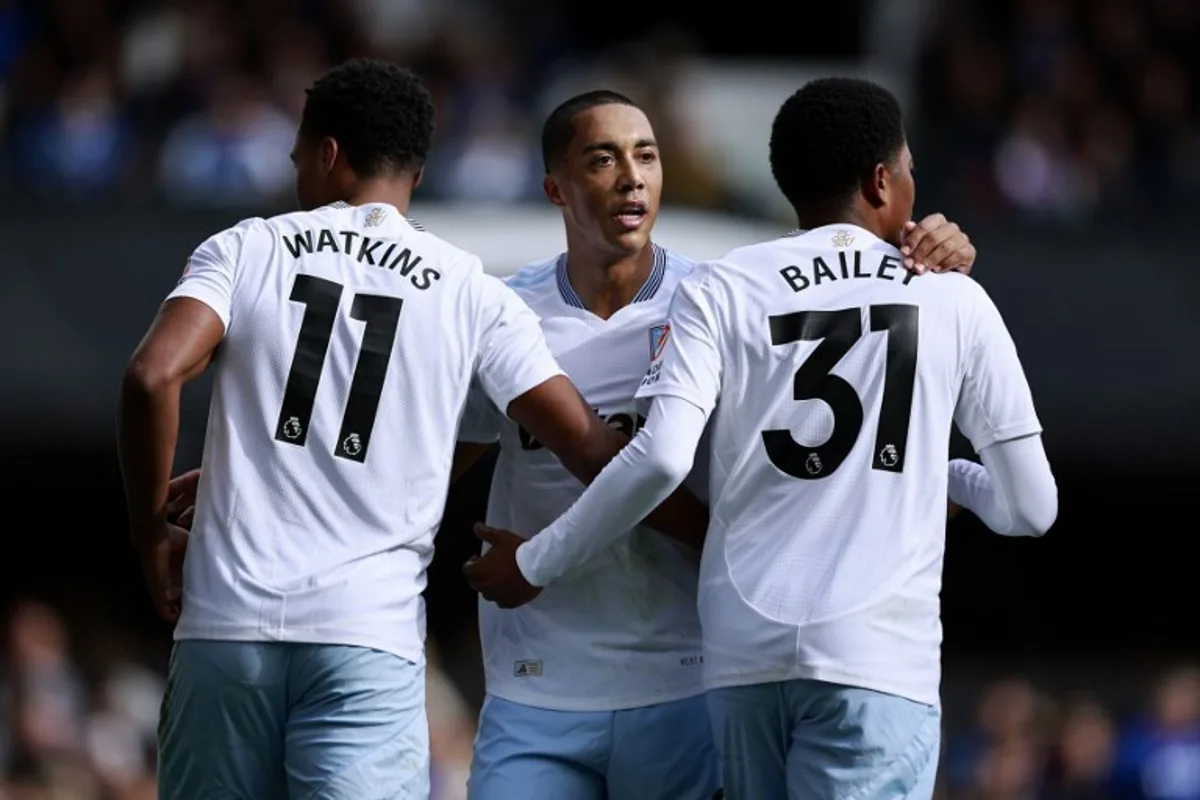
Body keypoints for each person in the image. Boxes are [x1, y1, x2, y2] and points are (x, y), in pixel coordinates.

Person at [116, 59, 704, 800]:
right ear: (419, 170)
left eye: (298, 156)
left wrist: (149, 534)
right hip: (368, 639)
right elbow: (587, 445)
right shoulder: (471, 288)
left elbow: (151, 376)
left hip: (227, 626)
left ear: (326, 155)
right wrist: (716, 537)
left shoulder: (249, 245)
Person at [464, 76, 1059, 800]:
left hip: (714, 667)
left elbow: (656, 459)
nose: (631, 178)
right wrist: (934, 469)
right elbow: (1030, 506)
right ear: (884, 180)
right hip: (567, 680)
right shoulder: (507, 308)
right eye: (603, 159)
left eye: (647, 155)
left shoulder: (718, 288)